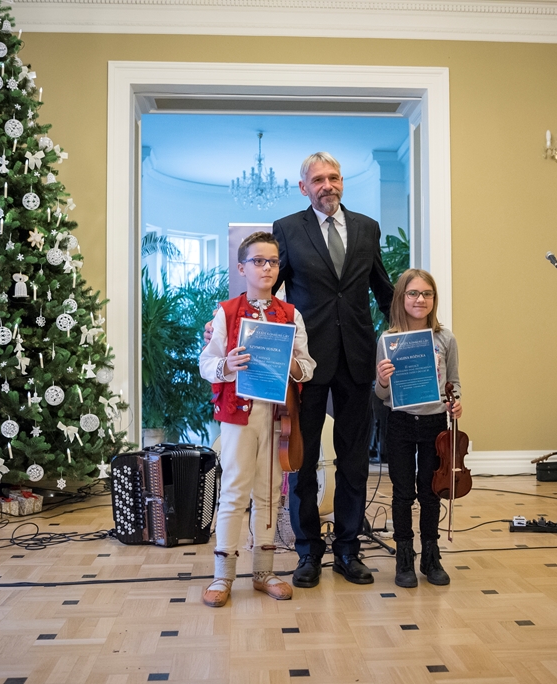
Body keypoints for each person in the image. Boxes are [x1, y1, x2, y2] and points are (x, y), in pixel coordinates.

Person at [272, 152, 395, 587]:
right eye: (319, 179)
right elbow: (270, 289)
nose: (328, 185)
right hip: (306, 362)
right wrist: (237, 324)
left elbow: (382, 288)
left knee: (355, 460)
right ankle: (308, 552)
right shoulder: (288, 229)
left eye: (334, 177)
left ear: (342, 182)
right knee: (303, 460)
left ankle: (347, 550)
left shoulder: (366, 228)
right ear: (304, 187)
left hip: (357, 358)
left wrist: (411, 333)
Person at [198, 231, 316, 607]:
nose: (267, 268)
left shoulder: (291, 314)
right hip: (238, 413)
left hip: (278, 415)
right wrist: (227, 364)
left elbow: (308, 367)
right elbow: (206, 363)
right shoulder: (227, 311)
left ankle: (263, 572)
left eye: (273, 262)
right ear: (242, 268)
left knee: (269, 490)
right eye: (258, 261)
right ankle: (223, 575)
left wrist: (291, 363)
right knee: (234, 489)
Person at [374, 269, 461, 588]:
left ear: (434, 299)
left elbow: (454, 382)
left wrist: (456, 403)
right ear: (401, 298)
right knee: (402, 493)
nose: (420, 299)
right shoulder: (388, 340)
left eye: (427, 293)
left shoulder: (445, 338)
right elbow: (381, 394)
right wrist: (383, 380)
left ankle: (431, 556)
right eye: (413, 293)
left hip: (435, 423)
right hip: (399, 422)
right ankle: (404, 557)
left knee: (430, 491)